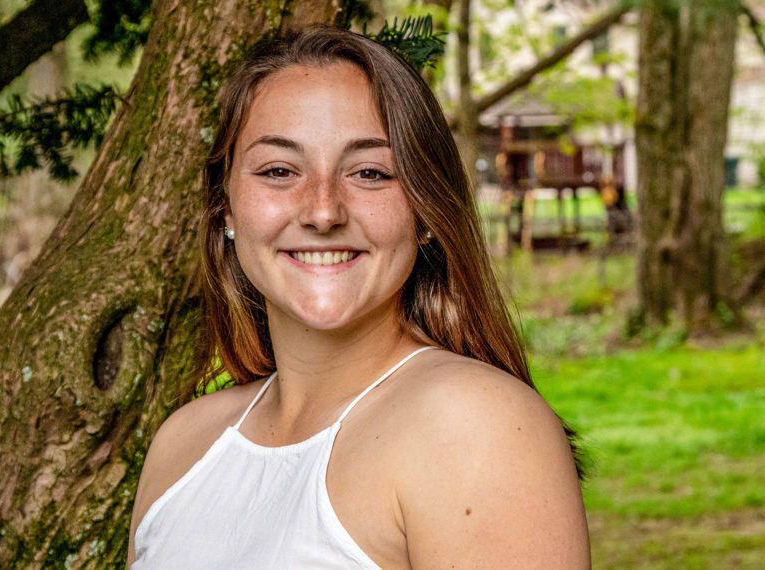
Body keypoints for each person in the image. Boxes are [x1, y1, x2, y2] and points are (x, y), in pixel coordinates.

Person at [127, 24, 589, 569]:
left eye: (370, 173)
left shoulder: (476, 427)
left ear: (425, 212)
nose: (323, 211)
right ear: (226, 207)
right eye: (279, 171)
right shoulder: (183, 445)